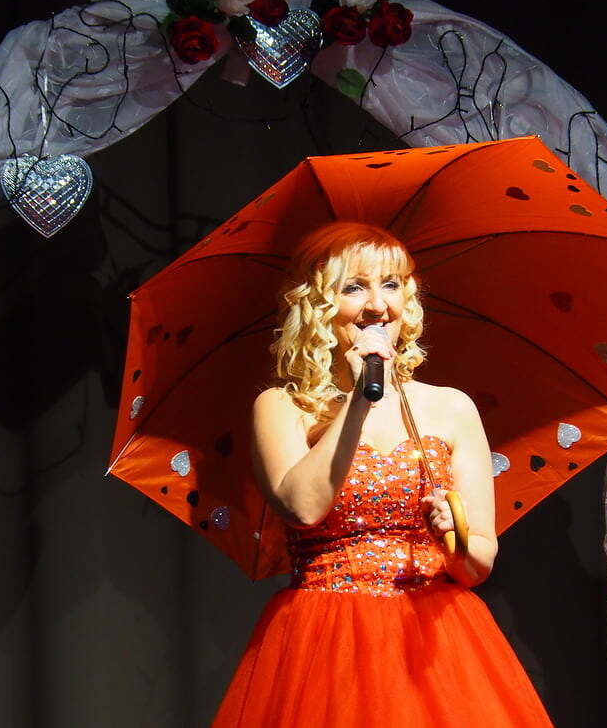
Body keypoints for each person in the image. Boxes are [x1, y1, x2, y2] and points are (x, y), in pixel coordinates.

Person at [211, 223, 553, 727]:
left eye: (390, 284)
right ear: (318, 303)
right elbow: (302, 507)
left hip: (435, 642)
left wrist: (452, 537)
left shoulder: (451, 407)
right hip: (326, 644)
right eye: (354, 287)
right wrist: (357, 400)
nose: (377, 306)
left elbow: (478, 565)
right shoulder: (283, 407)